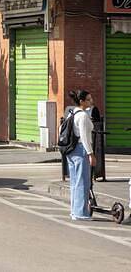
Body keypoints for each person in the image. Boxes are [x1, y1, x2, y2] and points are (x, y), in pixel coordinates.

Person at [66, 89, 96, 221]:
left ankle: (74, 211)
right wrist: (91, 154)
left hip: (71, 151)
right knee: (83, 183)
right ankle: (81, 213)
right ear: (82, 101)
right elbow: (84, 137)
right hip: (80, 150)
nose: (91, 101)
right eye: (89, 99)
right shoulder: (83, 116)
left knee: (75, 182)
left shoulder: (71, 113)